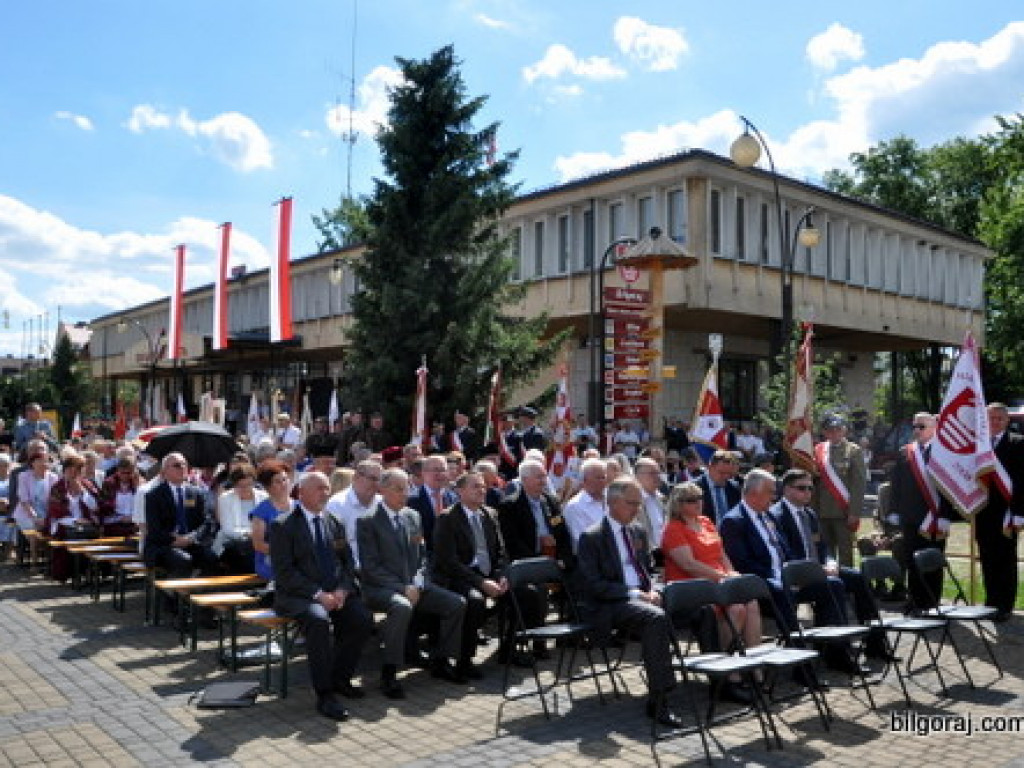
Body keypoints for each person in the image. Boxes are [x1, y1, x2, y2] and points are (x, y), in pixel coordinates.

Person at [720, 469, 865, 674]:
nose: (774, 497)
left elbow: (786, 550)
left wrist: (797, 573)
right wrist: (782, 576)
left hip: (786, 578)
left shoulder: (768, 516)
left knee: (832, 585)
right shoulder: (734, 521)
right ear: (753, 493)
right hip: (763, 584)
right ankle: (800, 665)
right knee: (781, 589)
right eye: (770, 492)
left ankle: (836, 652)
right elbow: (743, 564)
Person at [577, 476, 681, 727]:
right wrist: (636, 594)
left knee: (703, 607)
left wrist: (655, 589)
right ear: (612, 503)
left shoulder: (638, 530)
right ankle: (659, 698)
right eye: (631, 503)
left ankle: (723, 681)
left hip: (644, 596)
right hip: (612, 603)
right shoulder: (592, 537)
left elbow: (649, 569)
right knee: (655, 619)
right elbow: (595, 586)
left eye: (639, 504)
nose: (637, 509)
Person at [270, 471, 374, 721]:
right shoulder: (283, 525)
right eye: (319, 488)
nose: (325, 494)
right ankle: (325, 694)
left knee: (361, 619)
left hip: (334, 592)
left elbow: (348, 563)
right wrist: (317, 594)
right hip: (299, 596)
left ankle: (340, 678)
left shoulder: (333, 521)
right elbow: (285, 573)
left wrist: (343, 589)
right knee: (318, 622)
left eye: (327, 488)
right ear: (301, 492)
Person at [357, 468, 467, 698]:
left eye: (407, 487)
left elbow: (423, 556)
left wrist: (417, 582)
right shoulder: (367, 521)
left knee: (456, 603)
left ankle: (441, 660)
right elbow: (370, 567)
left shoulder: (412, 516)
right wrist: (402, 588)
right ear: (383, 490)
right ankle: (389, 671)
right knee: (401, 606)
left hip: (415, 585)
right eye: (399, 488)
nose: (405, 493)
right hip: (381, 589)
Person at [770, 469, 892, 659]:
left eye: (811, 488)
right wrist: (817, 570)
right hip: (798, 576)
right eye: (802, 488)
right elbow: (784, 554)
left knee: (858, 578)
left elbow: (823, 546)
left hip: (821, 569)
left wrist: (830, 562)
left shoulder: (809, 514)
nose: (808, 493)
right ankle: (838, 651)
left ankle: (875, 643)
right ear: (786, 490)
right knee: (835, 585)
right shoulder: (775, 516)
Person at [661, 481, 760, 695]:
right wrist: (722, 577)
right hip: (695, 587)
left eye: (700, 498)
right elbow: (689, 564)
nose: (698, 503)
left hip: (719, 580)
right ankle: (724, 669)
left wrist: (732, 574)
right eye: (691, 500)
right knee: (737, 609)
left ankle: (754, 667)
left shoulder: (706, 522)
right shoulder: (673, 529)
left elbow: (721, 554)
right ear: (678, 505)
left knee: (751, 602)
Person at [431, 470, 508, 680]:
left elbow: (500, 552)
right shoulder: (448, 518)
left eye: (483, 486)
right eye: (475, 486)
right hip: (458, 576)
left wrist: (501, 575)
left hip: (487, 573)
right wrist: (481, 583)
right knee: (474, 601)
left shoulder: (489, 514)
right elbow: (448, 562)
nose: (481, 490)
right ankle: (464, 661)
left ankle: (509, 649)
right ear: (460, 491)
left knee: (521, 592)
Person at [889, 412, 945, 612]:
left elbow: (949, 488)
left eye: (921, 426)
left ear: (934, 428)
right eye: (914, 426)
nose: (916, 430)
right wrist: (894, 510)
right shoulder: (906, 452)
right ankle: (915, 600)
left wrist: (946, 515)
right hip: (909, 516)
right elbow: (896, 484)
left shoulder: (944, 451)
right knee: (911, 559)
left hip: (934, 517)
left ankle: (931, 601)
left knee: (932, 561)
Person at [975, 403, 1024, 620]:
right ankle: (991, 601)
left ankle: (1005, 605)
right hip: (983, 513)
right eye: (990, 418)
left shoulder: (1018, 443)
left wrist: (1019, 512)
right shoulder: (979, 445)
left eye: (999, 419)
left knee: (1005, 560)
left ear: (1007, 421)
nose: (994, 422)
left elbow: (1022, 481)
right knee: (987, 558)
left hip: (1007, 513)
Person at [143, 453, 218, 579]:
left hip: (191, 542)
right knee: (182, 560)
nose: (182, 468)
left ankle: (201, 594)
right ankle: (174, 597)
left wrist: (191, 537)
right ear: (165, 470)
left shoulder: (197, 493)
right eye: (177, 465)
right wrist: (174, 540)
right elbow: (154, 529)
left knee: (211, 558)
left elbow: (207, 522)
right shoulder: (154, 496)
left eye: (185, 465)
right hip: (164, 545)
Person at [812, 415, 866, 567]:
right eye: (830, 430)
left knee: (845, 553)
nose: (834, 434)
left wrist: (854, 512)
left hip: (843, 511)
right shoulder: (819, 450)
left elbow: (859, 483)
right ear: (824, 432)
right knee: (824, 551)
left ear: (844, 431)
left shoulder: (853, 451)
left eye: (838, 430)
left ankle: (847, 585)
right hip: (822, 510)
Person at [46, 452, 102, 582]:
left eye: (77, 469)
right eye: (70, 469)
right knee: (72, 538)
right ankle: (72, 573)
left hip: (87, 526)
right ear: (64, 470)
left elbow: (96, 507)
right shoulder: (58, 488)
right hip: (65, 525)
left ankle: (87, 571)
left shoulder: (88, 485)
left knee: (91, 537)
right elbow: (56, 512)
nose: (73, 473)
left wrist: (83, 492)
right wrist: (75, 520)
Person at [325, 459, 382, 572]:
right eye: (372, 479)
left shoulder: (382, 503)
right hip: (351, 572)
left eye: (379, 480)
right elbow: (334, 549)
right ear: (356, 477)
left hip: (383, 573)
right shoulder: (336, 505)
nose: (376, 484)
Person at [213, 464, 267, 574]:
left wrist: (256, 535)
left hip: (257, 540)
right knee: (243, 552)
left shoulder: (264, 497)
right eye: (241, 486)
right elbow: (227, 529)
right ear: (234, 485)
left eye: (249, 484)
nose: (246, 489)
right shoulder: (225, 498)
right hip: (230, 542)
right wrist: (249, 534)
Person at [249, 460, 293, 583]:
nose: (283, 484)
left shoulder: (299, 506)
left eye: (285, 479)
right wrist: (287, 553)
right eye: (278, 482)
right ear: (268, 487)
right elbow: (258, 544)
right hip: (271, 563)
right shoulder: (261, 511)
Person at [406, 454, 456, 553]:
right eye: (435, 470)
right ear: (423, 473)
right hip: (425, 556)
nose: (440, 474)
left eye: (443, 470)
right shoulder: (411, 500)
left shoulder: (455, 498)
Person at [563, 457, 609, 551]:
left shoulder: (611, 500)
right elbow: (583, 540)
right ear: (584, 480)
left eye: (603, 477)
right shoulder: (575, 506)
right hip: (590, 560)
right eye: (597, 478)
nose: (602, 481)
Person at [633, 457, 667, 566]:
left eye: (658, 473)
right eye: (652, 473)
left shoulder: (662, 499)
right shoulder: (631, 501)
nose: (657, 477)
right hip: (643, 560)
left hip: (664, 558)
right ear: (637, 477)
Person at [694, 450, 741, 526]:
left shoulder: (734, 488)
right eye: (721, 473)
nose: (726, 477)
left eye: (728, 473)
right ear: (710, 468)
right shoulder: (694, 488)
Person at [98, 456, 141, 537]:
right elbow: (103, 508)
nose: (125, 476)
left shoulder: (138, 483)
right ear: (117, 471)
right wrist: (120, 518)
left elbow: (142, 505)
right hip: (114, 526)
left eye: (128, 473)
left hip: (134, 526)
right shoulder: (109, 484)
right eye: (122, 473)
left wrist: (137, 486)